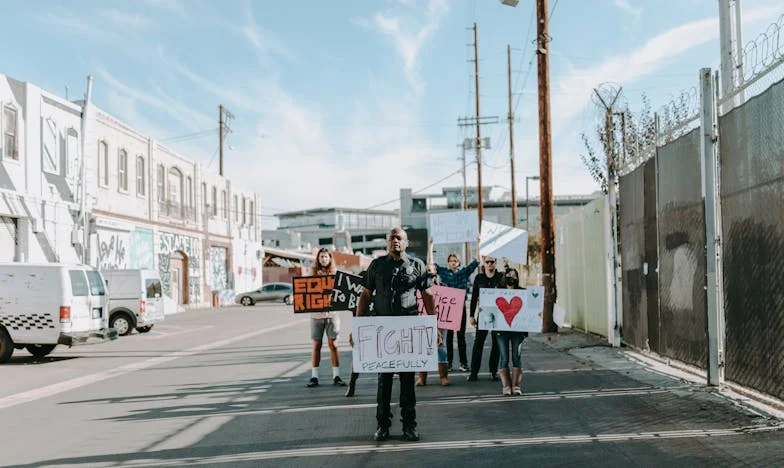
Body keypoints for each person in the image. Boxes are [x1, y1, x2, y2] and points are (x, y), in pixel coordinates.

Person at [356, 227, 437, 442]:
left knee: (408, 382)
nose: (395, 241)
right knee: (384, 383)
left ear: (406, 243)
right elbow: (365, 295)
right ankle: (383, 426)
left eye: (399, 238)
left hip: (407, 333)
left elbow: (427, 295)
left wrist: (433, 325)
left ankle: (409, 426)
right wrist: (358, 326)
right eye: (392, 238)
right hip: (383, 332)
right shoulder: (376, 265)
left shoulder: (417, 265)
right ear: (386, 243)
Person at [428, 238, 479, 373]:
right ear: (448, 262)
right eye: (451, 261)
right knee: (449, 338)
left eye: (455, 261)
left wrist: (478, 243)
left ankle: (463, 363)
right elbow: (432, 265)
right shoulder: (444, 272)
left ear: (458, 262)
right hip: (448, 309)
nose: (453, 263)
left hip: (460, 307)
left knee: (461, 337)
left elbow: (476, 262)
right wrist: (431, 245)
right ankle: (449, 364)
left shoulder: (463, 272)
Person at [306, 248, 345, 388]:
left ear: (330, 258)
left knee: (333, 345)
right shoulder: (312, 273)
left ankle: (336, 376)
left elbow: (342, 293)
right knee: (317, 345)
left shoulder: (335, 274)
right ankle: (314, 377)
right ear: (318, 258)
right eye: (321, 256)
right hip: (316, 316)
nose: (324, 259)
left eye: (326, 257)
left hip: (332, 315)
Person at [467, 255, 504, 382]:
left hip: (498, 316)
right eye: (487, 262)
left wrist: (506, 265)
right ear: (484, 263)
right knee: (478, 344)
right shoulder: (479, 278)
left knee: (496, 344)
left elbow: (511, 284)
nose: (489, 264)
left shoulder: (501, 277)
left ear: (495, 263)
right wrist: (471, 315)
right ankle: (473, 372)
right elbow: (474, 298)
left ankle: (493, 371)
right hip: (483, 316)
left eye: (492, 262)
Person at [495, 268, 528, 396]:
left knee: (516, 356)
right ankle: (506, 386)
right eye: (508, 275)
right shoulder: (497, 292)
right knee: (504, 357)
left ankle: (516, 386)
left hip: (517, 331)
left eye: (514, 275)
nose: (511, 277)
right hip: (501, 330)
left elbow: (530, 309)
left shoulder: (522, 293)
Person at [416, 263, 450, 387]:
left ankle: (443, 376)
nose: (431, 274)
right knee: (422, 348)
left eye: (432, 271)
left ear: (437, 272)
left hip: (440, 322)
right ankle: (422, 378)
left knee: (441, 346)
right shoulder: (419, 287)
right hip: (423, 322)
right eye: (428, 271)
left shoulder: (444, 287)